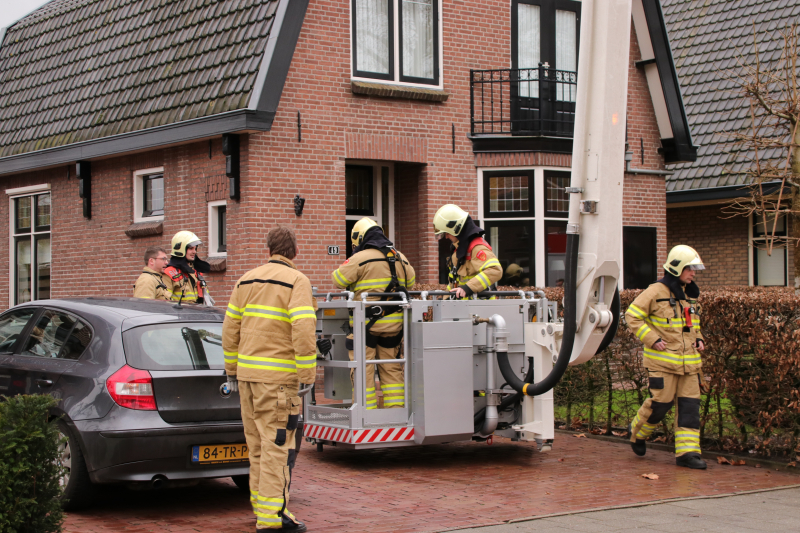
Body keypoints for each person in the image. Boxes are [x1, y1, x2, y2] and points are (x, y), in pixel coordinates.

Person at [222, 226, 316, 532]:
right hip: (279, 382)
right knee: (278, 446)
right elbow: (303, 329)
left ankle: (262, 508)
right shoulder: (297, 281)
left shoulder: (245, 280)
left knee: (257, 447)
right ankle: (272, 518)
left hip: (247, 379)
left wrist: (232, 370)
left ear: (269, 250)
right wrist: (307, 374)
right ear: (295, 252)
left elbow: (230, 329)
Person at [626, 245, 707, 470]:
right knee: (660, 404)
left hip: (690, 365)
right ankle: (637, 432)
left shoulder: (690, 294)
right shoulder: (655, 291)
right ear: (677, 267)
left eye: (694, 269)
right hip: (663, 363)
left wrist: (699, 338)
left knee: (690, 410)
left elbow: (692, 324)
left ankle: (688, 454)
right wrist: (651, 339)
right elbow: (632, 316)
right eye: (689, 268)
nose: (693, 273)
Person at [331, 218, 415, 410]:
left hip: (365, 326)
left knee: (363, 370)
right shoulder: (400, 257)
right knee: (391, 369)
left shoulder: (360, 258)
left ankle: (365, 413)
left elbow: (337, 280)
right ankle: (396, 412)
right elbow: (411, 283)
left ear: (360, 238)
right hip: (394, 328)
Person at [432, 204, 502, 299]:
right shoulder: (458, 250)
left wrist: (468, 288)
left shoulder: (477, 248)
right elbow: (454, 282)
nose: (446, 237)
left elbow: (495, 270)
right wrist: (444, 299)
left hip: (481, 306)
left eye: (447, 233)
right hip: (466, 306)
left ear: (456, 228)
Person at [164, 231, 212, 305]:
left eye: (195, 248)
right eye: (191, 248)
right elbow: (165, 302)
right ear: (180, 249)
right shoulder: (169, 273)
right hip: (179, 312)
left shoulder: (196, 272)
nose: (194, 252)